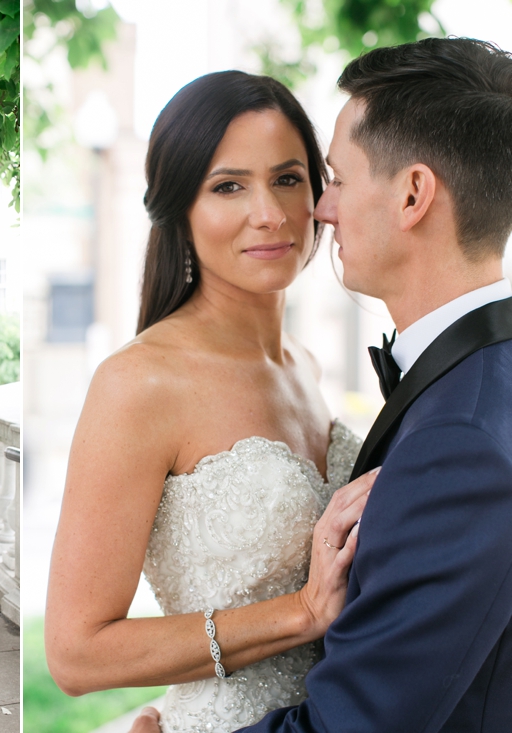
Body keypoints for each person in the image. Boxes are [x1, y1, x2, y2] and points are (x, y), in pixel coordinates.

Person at [127, 37, 512, 733]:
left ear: (414, 193)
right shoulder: (474, 383)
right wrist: (296, 612)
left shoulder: (461, 433)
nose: (316, 210)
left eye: (322, 177)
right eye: (227, 184)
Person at [44, 71, 376, 732]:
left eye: (288, 178)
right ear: (180, 209)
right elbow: (75, 653)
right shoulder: (139, 383)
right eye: (229, 186)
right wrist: (300, 614)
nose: (270, 213)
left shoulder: (305, 366)